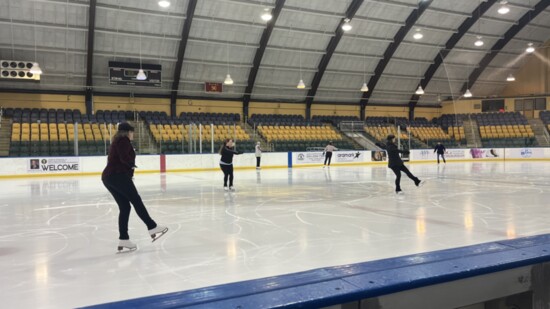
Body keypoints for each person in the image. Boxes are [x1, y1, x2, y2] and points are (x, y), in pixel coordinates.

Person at [102, 122, 167, 252]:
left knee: (125, 207)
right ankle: (152, 226)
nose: (133, 135)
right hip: (118, 176)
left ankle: (124, 239)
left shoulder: (117, 141)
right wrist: (131, 165)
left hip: (109, 177)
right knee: (136, 201)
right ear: (128, 132)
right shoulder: (123, 141)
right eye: (132, 132)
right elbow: (124, 157)